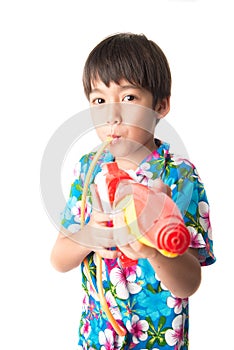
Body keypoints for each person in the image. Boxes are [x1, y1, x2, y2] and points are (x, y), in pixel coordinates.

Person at [50, 33, 215, 349]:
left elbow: (189, 283)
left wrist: (153, 250)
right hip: (98, 338)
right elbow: (58, 258)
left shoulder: (179, 176)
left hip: (158, 340)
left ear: (160, 106)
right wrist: (89, 236)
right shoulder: (88, 169)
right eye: (99, 100)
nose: (112, 115)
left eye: (128, 98)